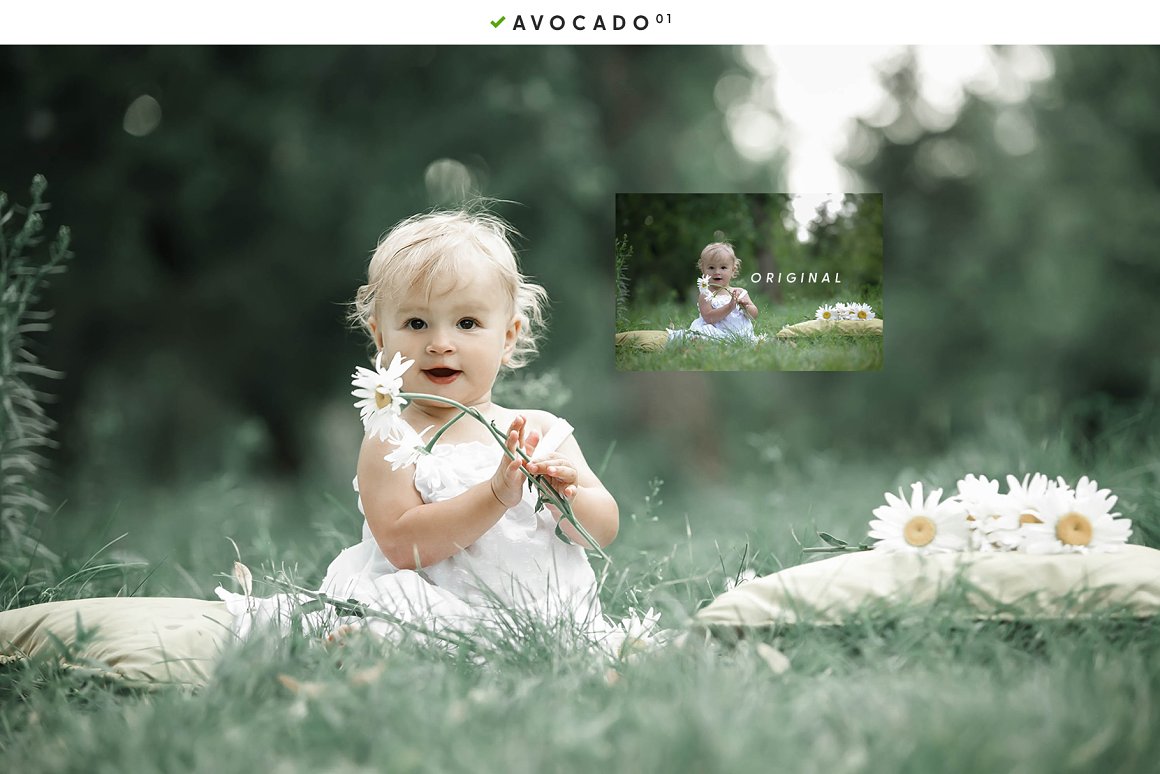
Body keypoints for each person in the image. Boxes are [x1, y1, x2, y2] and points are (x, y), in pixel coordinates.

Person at [216, 209, 640, 652]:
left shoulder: (542, 431)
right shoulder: (392, 436)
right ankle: (367, 647)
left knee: (583, 644)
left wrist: (566, 497)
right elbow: (403, 546)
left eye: (467, 323)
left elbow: (601, 531)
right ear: (381, 337)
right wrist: (495, 495)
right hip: (435, 608)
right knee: (399, 610)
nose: (440, 342)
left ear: (509, 336)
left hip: (543, 613)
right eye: (417, 323)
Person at [667, 242, 760, 343]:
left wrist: (747, 307)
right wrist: (729, 307)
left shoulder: (740, 292)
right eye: (711, 267)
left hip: (739, 333)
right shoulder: (706, 294)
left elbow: (754, 315)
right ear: (703, 270)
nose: (717, 272)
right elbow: (709, 318)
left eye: (723, 267)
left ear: (733, 270)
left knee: (747, 341)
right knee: (703, 336)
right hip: (715, 332)